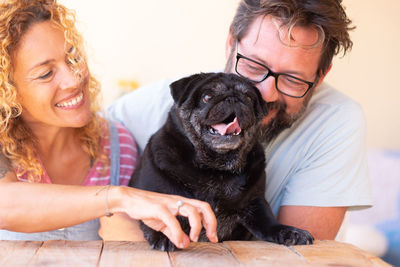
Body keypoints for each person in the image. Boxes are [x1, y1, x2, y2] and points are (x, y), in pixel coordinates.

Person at [108, 0, 373, 240]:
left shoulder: (336, 121)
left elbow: (295, 257)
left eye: (292, 79)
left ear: (320, 76)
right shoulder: (166, 100)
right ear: (230, 44)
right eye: (254, 66)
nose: (266, 93)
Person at [0, 0, 218, 248]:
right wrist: (118, 197)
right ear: (7, 92)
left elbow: (130, 245)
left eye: (73, 58)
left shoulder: (118, 147)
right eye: (46, 74)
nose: (74, 79)